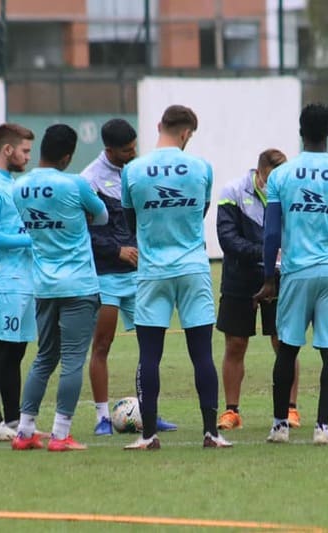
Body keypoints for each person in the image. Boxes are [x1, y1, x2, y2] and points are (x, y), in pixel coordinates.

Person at [121, 104, 231, 450]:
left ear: (159, 126)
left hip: (152, 270)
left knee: (149, 355)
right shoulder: (201, 168)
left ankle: (148, 435)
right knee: (202, 354)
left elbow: (130, 223)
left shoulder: (133, 170)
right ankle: (211, 433)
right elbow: (201, 213)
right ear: (186, 133)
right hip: (193, 267)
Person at [254, 103, 328, 445]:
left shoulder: (281, 176)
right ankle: (323, 428)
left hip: (296, 272)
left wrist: (269, 277)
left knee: (287, 348)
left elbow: (271, 234)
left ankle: (279, 426)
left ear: (300, 131)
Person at [10, 124, 108, 452]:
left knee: (44, 357)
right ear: (67, 156)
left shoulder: (19, 186)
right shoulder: (75, 183)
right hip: (78, 284)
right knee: (72, 360)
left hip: (43, 285)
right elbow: (103, 216)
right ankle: (60, 434)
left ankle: (24, 432)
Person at [81, 118, 177, 436]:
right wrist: (116, 251)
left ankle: (149, 411)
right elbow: (83, 232)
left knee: (150, 346)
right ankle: (102, 418)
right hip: (107, 275)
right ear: (108, 149)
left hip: (140, 276)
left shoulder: (136, 171)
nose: (133, 153)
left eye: (135, 146)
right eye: (127, 149)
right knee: (103, 345)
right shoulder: (90, 180)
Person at [216, 148, 304, 431]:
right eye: (274, 177)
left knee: (284, 343)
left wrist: (280, 259)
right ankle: (231, 411)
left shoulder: (292, 191)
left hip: (281, 278)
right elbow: (228, 239)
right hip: (239, 278)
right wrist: (266, 253)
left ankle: (291, 409)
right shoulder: (233, 191)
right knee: (236, 344)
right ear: (261, 171)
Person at [0, 123, 36, 441]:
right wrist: (29, 241)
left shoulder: (11, 184)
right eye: (25, 151)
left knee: (15, 353)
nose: (28, 157)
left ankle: (13, 420)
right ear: (7, 150)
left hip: (23, 280)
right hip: (3, 281)